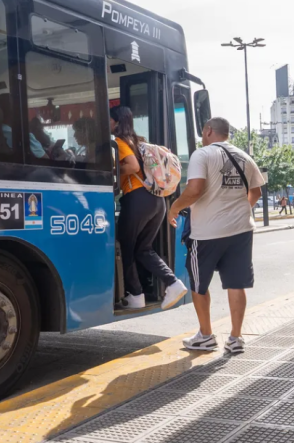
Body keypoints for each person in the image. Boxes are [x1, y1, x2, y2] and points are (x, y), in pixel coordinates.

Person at [168, 117, 264, 354]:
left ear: (208, 130)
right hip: (241, 230)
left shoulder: (202, 154)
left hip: (207, 233)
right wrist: (240, 211)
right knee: (236, 283)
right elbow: (256, 191)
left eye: (203, 131)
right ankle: (235, 338)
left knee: (199, 284)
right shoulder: (245, 156)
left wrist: (175, 207)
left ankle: (206, 336)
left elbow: (195, 189)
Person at [111, 106, 187, 310]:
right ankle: (173, 283)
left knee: (125, 246)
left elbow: (133, 166)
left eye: (108, 120)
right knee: (143, 249)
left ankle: (135, 295)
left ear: (116, 122)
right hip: (157, 200)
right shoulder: (139, 141)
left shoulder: (119, 142)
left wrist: (113, 173)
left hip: (137, 199)